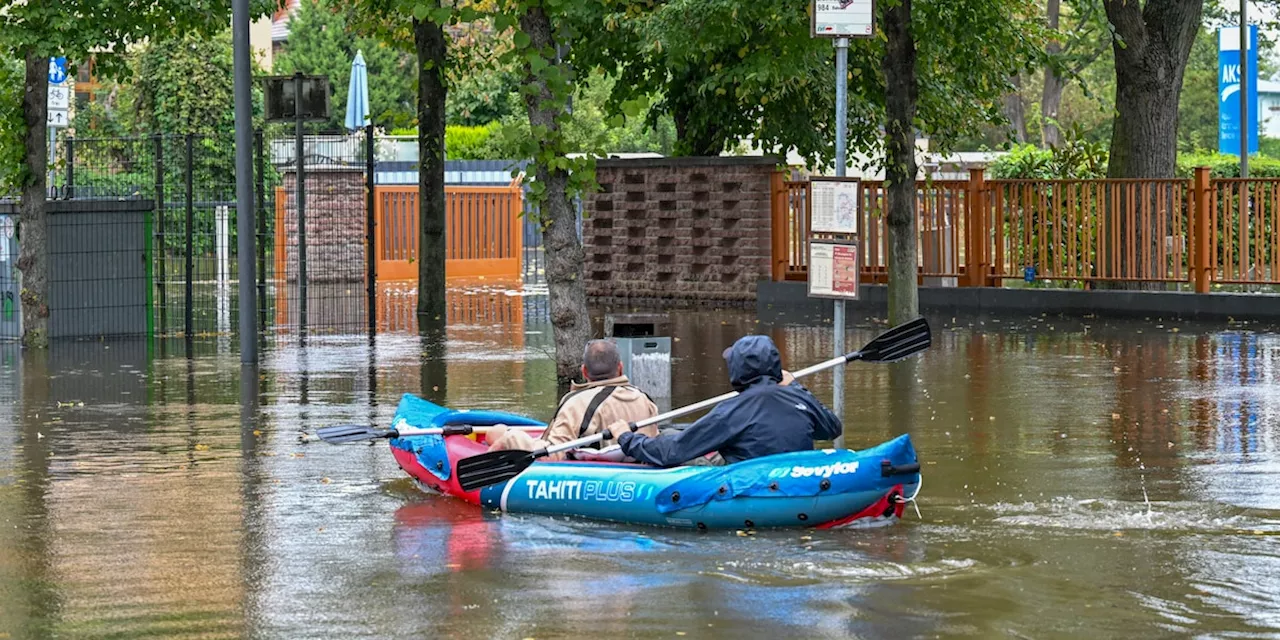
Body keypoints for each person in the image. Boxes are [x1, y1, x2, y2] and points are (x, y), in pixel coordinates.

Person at [615, 334, 841, 467]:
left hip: (751, 483)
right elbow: (831, 429)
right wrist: (794, 385)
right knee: (674, 432)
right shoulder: (798, 396)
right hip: (794, 478)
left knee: (668, 437)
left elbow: (671, 452)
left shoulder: (732, 411)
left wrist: (626, 438)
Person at [487, 340, 659, 461]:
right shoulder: (644, 398)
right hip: (635, 462)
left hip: (596, 471)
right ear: (620, 368)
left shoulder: (576, 402)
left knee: (496, 432)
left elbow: (552, 453)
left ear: (584, 372)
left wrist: (508, 439)